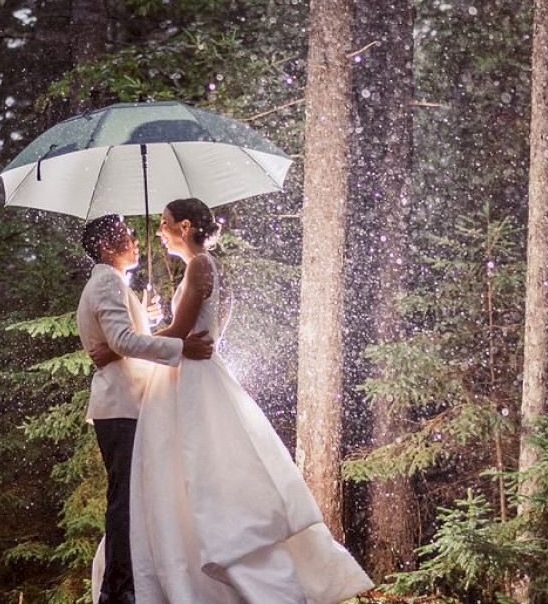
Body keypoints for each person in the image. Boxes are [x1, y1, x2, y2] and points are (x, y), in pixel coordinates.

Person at [92, 198, 373, 603]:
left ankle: (212, 563)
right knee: (179, 472)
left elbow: (184, 331)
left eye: (165, 223)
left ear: (185, 226)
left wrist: (119, 349)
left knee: (198, 471)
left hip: (190, 379)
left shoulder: (201, 265)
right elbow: (192, 332)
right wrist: (155, 322)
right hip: (186, 372)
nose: (158, 231)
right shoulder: (204, 267)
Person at [77, 213, 214, 604]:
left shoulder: (115, 284)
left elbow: (121, 340)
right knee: (126, 501)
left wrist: (147, 316)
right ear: (106, 245)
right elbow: (121, 341)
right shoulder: (106, 282)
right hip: (121, 406)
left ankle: (133, 584)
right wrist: (179, 345)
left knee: (135, 499)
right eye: (125, 234)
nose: (135, 239)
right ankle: (117, 590)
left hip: (129, 405)